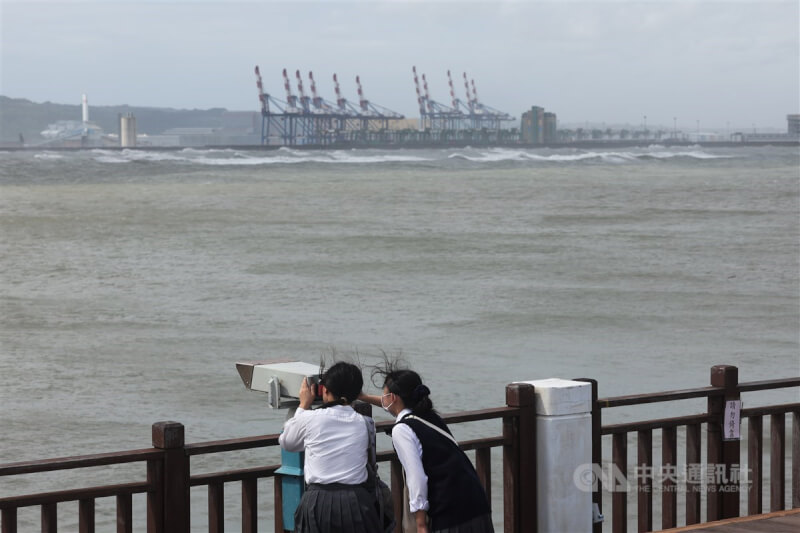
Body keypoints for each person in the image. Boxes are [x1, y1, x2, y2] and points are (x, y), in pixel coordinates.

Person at [361, 363, 494, 533]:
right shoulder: (429, 416)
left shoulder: (402, 430)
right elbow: (388, 402)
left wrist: (421, 523)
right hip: (476, 505)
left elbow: (417, 477)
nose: (382, 398)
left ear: (393, 398)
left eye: (384, 393)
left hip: (449, 515)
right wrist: (363, 397)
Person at [278, 361, 382, 533]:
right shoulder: (365, 422)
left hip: (318, 501)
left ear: (324, 390)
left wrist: (303, 406)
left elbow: (287, 442)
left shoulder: (311, 418)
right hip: (356, 500)